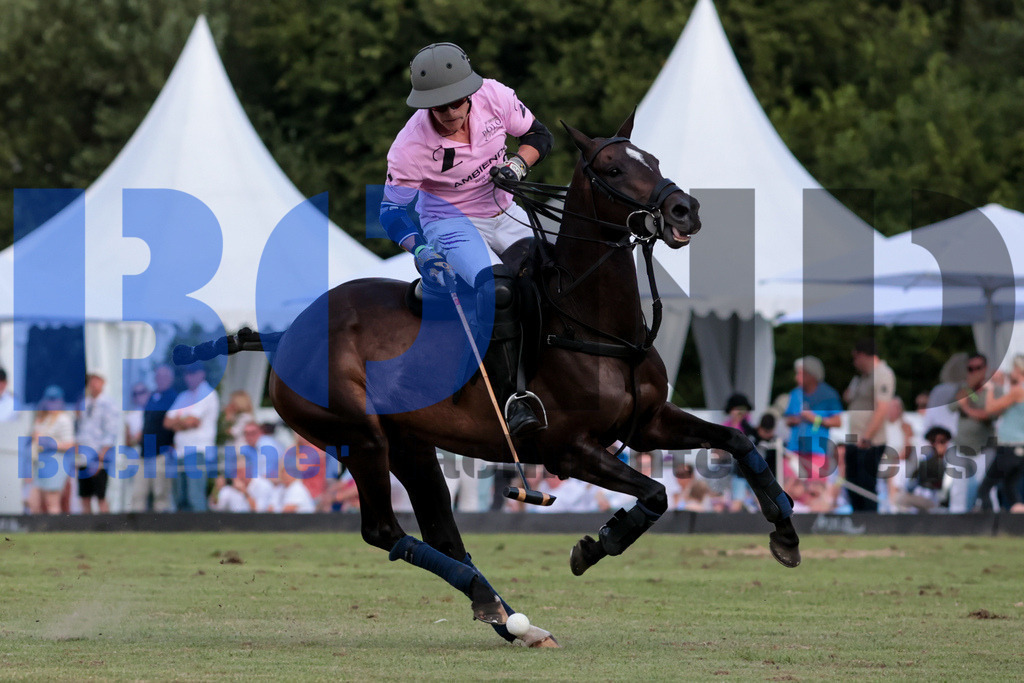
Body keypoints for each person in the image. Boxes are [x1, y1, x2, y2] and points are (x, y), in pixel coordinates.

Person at [380, 42, 554, 437]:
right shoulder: (410, 147)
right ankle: (512, 402)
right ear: (426, 105)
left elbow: (539, 136)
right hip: (450, 221)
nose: (452, 113)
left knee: (555, 273)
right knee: (500, 289)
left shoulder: (494, 94)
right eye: (440, 107)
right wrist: (421, 250)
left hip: (506, 208)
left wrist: (517, 163)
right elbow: (391, 212)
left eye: (458, 102)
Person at [842, 338, 896, 512]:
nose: (854, 363)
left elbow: (882, 409)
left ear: (864, 355)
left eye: (856, 357)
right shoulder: (861, 378)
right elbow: (847, 397)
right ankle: (857, 521)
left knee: (866, 486)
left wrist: (866, 437)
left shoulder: (883, 374)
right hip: (854, 440)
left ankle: (870, 523)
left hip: (869, 442)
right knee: (852, 485)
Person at [164, 363, 219, 512]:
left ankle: (201, 532)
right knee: (180, 496)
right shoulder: (184, 396)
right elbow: (167, 422)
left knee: (195, 495)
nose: (189, 377)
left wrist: (179, 422)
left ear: (202, 374)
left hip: (198, 451)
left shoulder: (207, 393)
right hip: (180, 451)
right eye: (187, 373)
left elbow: (193, 421)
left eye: (193, 373)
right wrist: (184, 422)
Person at [974, 354, 1024, 511]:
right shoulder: (1017, 392)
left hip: (1009, 447)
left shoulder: (1018, 391)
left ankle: (988, 527)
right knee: (1010, 488)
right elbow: (1005, 410)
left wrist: (990, 389)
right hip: (1020, 448)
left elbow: (991, 409)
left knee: (984, 489)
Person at [783, 356, 843, 481]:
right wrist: (793, 420)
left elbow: (838, 422)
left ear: (811, 375)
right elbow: (787, 418)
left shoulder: (829, 394)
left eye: (800, 374)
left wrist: (815, 419)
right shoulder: (795, 394)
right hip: (794, 449)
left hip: (817, 450)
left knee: (814, 491)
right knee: (789, 488)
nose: (796, 378)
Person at [954, 353, 1000, 511]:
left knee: (987, 487)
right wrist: (968, 388)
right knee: (958, 489)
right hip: (962, 446)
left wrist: (966, 408)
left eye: (978, 368)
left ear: (985, 369)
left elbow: (988, 414)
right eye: (970, 368)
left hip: (983, 447)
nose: (974, 372)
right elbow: (953, 405)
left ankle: (993, 520)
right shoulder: (965, 389)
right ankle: (954, 522)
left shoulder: (992, 390)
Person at [131, 364, 176, 512]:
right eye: (158, 377)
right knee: (138, 493)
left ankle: (161, 529)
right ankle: (135, 529)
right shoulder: (153, 398)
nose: (160, 380)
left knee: (160, 494)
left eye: (164, 377)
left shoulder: (174, 397)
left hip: (161, 453)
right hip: (145, 453)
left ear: (170, 379)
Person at [74, 372, 119, 513]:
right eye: (91, 380)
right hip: (83, 456)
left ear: (103, 383)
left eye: (96, 380)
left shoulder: (109, 404)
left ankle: (106, 528)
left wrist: (101, 456)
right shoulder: (85, 403)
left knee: (101, 496)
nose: (93, 384)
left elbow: (111, 432)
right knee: (85, 496)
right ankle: (88, 529)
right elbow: (80, 429)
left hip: (98, 455)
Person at [27, 385, 75, 514]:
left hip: (56, 463)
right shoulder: (42, 418)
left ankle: (54, 532)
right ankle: (35, 531)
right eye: (50, 400)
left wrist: (48, 442)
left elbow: (69, 444)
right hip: (40, 463)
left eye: (55, 400)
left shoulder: (64, 419)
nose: (52, 403)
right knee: (33, 501)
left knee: (51, 502)